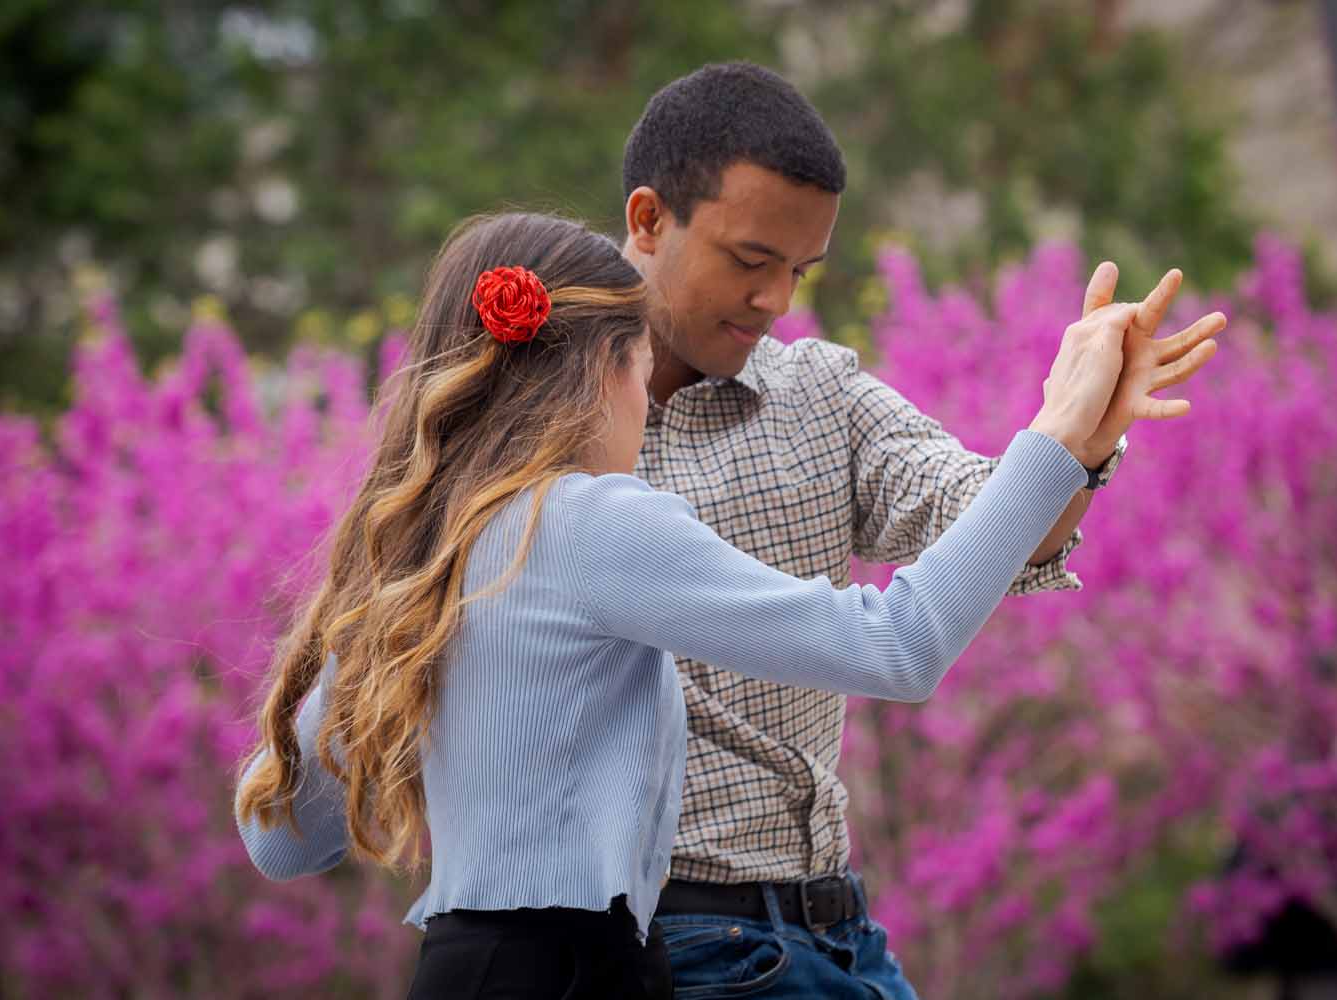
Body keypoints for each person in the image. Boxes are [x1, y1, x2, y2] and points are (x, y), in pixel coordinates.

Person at [233, 210, 1218, 999]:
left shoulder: (423, 550)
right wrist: (1058, 433)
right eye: (640, 372)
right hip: (583, 971)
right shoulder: (586, 522)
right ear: (602, 372)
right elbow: (898, 645)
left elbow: (281, 841)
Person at [617, 62, 1227, 997]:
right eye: (750, 261)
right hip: (684, 946)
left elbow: (988, 514)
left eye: (799, 270)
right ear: (649, 220)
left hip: (843, 931)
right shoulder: (537, 423)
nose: (776, 301)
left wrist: (1082, 436)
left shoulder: (818, 393)